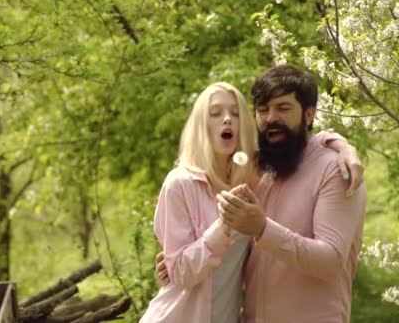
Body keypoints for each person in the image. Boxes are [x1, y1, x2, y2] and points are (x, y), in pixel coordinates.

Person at [154, 65, 365, 323]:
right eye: (263, 110)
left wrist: (263, 228)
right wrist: (179, 263)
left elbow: (331, 263)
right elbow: (209, 255)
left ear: (309, 114)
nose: (271, 118)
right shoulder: (258, 173)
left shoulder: (336, 170)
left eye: (283, 108)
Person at [140, 82, 259, 323]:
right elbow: (182, 273)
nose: (227, 120)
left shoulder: (253, 183)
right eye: (216, 113)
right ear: (201, 125)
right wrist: (223, 226)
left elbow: (302, 145)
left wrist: (337, 144)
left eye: (235, 114)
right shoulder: (179, 184)